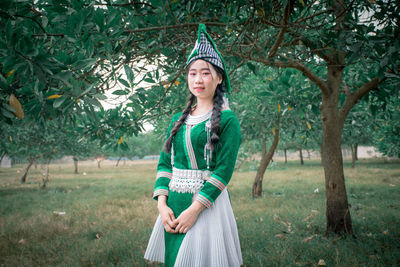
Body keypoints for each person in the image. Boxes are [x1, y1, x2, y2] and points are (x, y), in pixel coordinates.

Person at [144, 24, 242, 267]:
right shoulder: (178, 119)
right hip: (173, 206)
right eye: (192, 73)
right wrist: (162, 205)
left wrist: (195, 210)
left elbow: (223, 170)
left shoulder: (228, 120)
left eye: (206, 73)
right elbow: (166, 163)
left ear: (219, 78)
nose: (198, 79)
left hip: (206, 206)